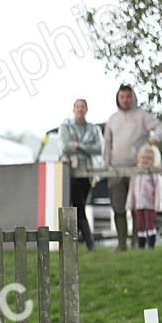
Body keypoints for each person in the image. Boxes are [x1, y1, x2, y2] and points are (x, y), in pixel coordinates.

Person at [103, 84, 162, 252]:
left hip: (139, 170)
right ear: (118, 98)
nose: (125, 100)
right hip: (116, 169)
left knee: (139, 206)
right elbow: (107, 144)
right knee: (118, 206)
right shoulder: (112, 119)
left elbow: (160, 127)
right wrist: (106, 165)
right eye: (122, 97)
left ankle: (137, 242)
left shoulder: (142, 115)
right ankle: (121, 244)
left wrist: (156, 138)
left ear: (133, 97)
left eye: (128, 97)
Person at [58, 99, 104, 251]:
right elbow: (65, 147)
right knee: (79, 207)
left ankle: (75, 241)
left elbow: (99, 148)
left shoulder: (93, 128)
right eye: (77, 106)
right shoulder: (66, 126)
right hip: (71, 171)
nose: (80, 109)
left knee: (79, 206)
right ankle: (90, 244)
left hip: (88, 172)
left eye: (83, 106)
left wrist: (79, 145)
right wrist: (86, 148)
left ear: (86, 109)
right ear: (73, 109)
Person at [126, 145, 162, 249]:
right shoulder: (136, 173)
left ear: (152, 160)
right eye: (143, 158)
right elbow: (132, 189)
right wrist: (130, 204)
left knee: (150, 224)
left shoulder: (154, 173)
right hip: (139, 204)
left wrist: (157, 203)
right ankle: (141, 246)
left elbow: (158, 189)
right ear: (139, 159)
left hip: (150, 204)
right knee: (140, 225)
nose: (145, 160)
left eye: (148, 158)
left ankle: (151, 245)